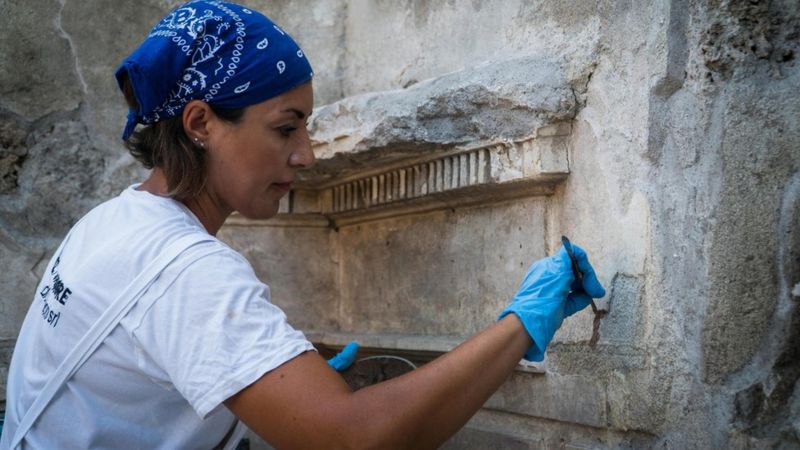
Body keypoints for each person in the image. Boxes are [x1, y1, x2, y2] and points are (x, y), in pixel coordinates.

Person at [0, 1, 605, 449]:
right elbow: (355, 442)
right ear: (201, 123)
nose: (307, 154)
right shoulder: (186, 270)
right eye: (286, 127)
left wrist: (272, 380)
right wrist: (517, 327)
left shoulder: (113, 221)